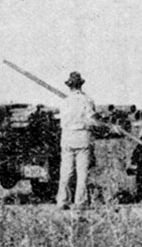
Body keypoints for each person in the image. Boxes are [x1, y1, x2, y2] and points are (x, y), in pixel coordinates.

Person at [56, 71, 96, 210]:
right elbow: (91, 120)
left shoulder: (64, 101)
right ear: (81, 85)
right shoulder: (87, 100)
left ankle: (62, 200)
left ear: (69, 86)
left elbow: (62, 120)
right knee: (82, 172)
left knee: (66, 171)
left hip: (67, 136)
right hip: (82, 136)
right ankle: (80, 202)